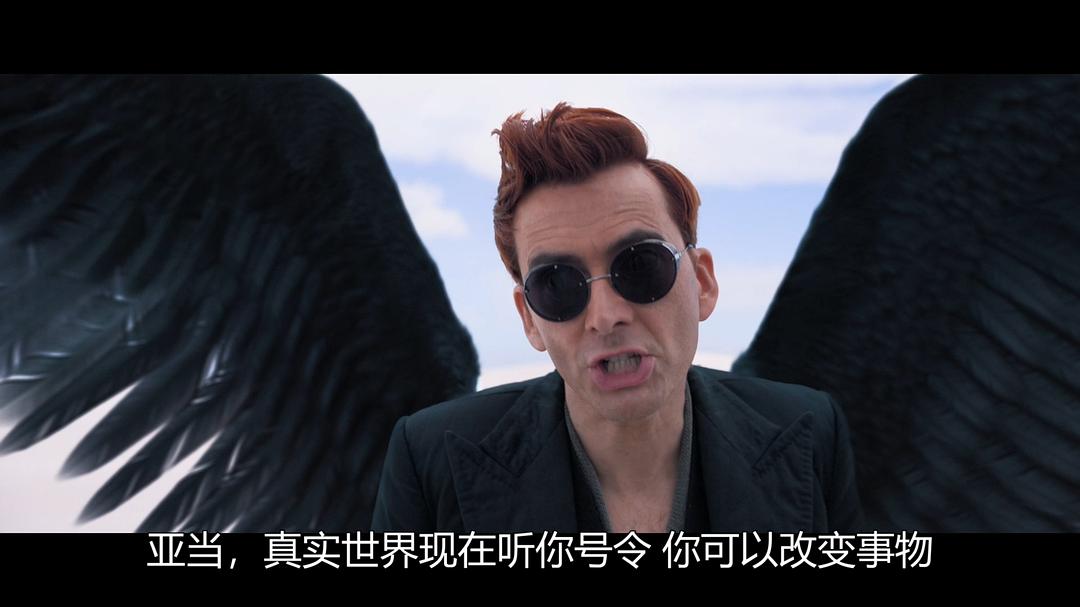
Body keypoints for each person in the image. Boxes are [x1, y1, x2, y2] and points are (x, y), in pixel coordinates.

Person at [371, 102, 864, 533]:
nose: (605, 317)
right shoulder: (428, 461)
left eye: (641, 266)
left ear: (702, 282)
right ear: (529, 318)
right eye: (557, 285)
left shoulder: (812, 434)